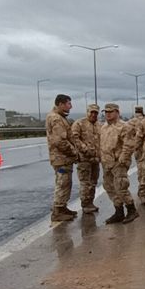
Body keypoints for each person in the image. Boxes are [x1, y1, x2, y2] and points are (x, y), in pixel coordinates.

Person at [99, 103, 139, 224]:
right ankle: (119, 211)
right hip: (107, 162)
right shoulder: (104, 127)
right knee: (109, 187)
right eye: (106, 112)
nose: (108, 114)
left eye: (110, 112)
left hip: (118, 163)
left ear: (117, 112)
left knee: (121, 186)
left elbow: (129, 145)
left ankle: (132, 210)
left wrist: (122, 159)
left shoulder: (124, 127)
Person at [46, 94, 79, 222]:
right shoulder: (56, 119)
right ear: (60, 104)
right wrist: (73, 152)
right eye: (68, 103)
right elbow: (60, 141)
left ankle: (62, 207)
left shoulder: (59, 117)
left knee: (65, 183)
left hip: (63, 158)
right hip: (61, 158)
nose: (70, 106)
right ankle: (58, 211)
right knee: (63, 183)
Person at [71, 104, 101, 213]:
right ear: (87, 112)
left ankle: (90, 202)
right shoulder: (79, 123)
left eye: (95, 113)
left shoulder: (99, 125)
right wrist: (85, 149)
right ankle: (85, 204)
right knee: (85, 182)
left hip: (95, 159)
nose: (93, 114)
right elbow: (74, 138)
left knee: (93, 182)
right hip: (84, 159)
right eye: (91, 112)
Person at [129, 105, 145, 182]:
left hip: (137, 146)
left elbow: (128, 133)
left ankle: (141, 181)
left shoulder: (132, 121)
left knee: (139, 164)